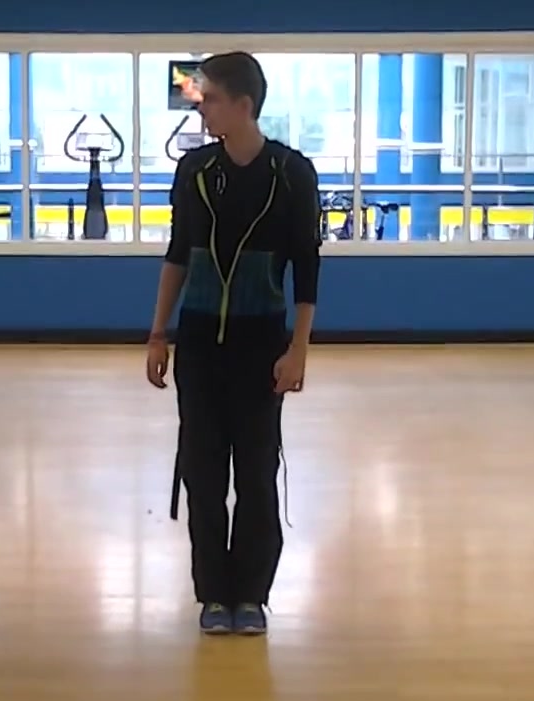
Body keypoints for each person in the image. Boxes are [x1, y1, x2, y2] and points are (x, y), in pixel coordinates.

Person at [145, 52, 322, 636]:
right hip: (199, 344)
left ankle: (251, 594)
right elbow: (178, 253)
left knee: (255, 473)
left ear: (244, 105)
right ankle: (213, 594)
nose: (203, 110)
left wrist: (298, 348)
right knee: (203, 474)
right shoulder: (194, 171)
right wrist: (158, 333)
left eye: (212, 99)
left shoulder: (291, 173)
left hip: (261, 345)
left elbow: (306, 265)